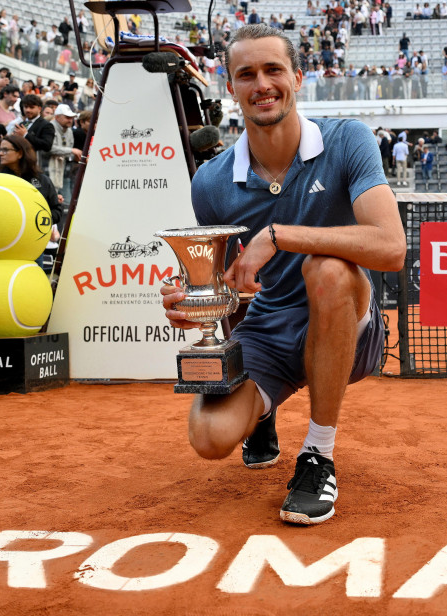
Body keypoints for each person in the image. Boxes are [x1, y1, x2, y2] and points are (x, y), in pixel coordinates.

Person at [160, 24, 405, 526]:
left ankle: (318, 455)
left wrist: (279, 234)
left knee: (328, 271)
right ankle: (263, 412)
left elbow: (391, 246)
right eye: (246, 74)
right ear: (231, 87)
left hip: (345, 319)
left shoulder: (347, 140)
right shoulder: (209, 182)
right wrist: (189, 301)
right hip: (269, 329)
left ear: (296, 76)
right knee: (209, 439)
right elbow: (227, 281)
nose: (261, 84)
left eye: (273, 69)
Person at [0, 133, 61, 234]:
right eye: (0, 150)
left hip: (33, 238)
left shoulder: (42, 180)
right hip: (5, 236)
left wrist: (38, 221)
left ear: (20, 153)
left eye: (5, 150)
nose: (0, 153)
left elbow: (56, 210)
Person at [8, 93, 55, 167]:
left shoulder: (46, 125)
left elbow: (47, 145)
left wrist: (25, 135)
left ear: (39, 108)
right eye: (26, 107)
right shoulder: (22, 124)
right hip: (19, 163)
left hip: (34, 165)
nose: (28, 110)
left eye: (31, 107)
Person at [48, 103, 82, 205]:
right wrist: (71, 151)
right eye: (67, 117)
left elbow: (69, 151)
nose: (70, 120)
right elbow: (50, 148)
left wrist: (74, 156)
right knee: (52, 199)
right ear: (57, 117)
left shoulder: (69, 131)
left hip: (64, 169)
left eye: (71, 118)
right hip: (49, 169)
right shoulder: (50, 127)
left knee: (67, 201)